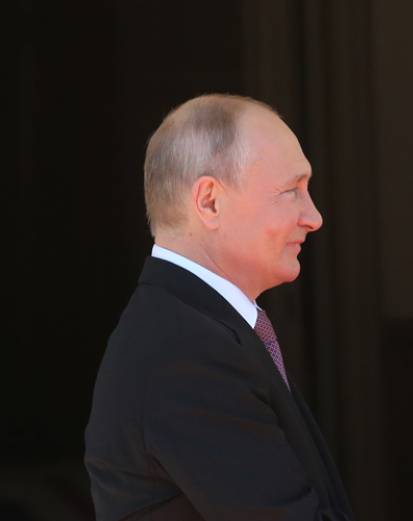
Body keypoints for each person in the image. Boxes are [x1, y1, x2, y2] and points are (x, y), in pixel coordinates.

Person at [85, 94, 353, 520]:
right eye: (291, 191)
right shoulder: (185, 352)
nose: (313, 216)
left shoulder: (195, 330)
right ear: (210, 201)